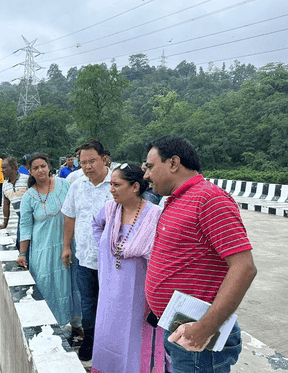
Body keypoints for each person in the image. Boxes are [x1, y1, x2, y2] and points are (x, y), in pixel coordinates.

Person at [143, 135, 257, 373]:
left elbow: (244, 267)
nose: (146, 175)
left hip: (199, 337)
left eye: (151, 167)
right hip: (179, 326)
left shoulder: (209, 199)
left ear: (173, 163)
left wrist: (206, 327)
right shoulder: (176, 200)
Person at [91, 164, 166, 373]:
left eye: (117, 184)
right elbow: (95, 225)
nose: (111, 189)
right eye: (111, 184)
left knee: (134, 341)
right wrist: (106, 248)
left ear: (134, 187)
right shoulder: (109, 209)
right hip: (109, 289)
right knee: (109, 335)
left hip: (139, 296)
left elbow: (161, 256)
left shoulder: (155, 216)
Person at [61, 139, 113, 361]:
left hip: (114, 260)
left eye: (92, 161)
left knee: (111, 301)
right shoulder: (76, 186)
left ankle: (111, 344)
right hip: (85, 257)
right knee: (88, 302)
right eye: (83, 162)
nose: (87, 166)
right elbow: (70, 217)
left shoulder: (118, 184)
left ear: (104, 159)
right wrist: (66, 247)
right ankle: (90, 340)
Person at [17, 152, 82, 330]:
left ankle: (77, 324)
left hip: (69, 245)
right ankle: (54, 327)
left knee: (72, 283)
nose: (40, 170)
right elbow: (25, 226)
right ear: (30, 171)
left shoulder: (65, 185)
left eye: (43, 166)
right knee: (48, 286)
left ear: (49, 166)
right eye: (35, 168)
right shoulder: (29, 196)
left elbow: (77, 212)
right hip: (43, 249)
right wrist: (23, 253)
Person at [0, 157, 29, 251]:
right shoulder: (5, 185)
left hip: (33, 218)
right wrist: (5, 223)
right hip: (21, 219)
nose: (2, 171)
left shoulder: (27, 179)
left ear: (13, 168)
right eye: (1, 168)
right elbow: (6, 205)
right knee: (19, 245)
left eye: (5, 168)